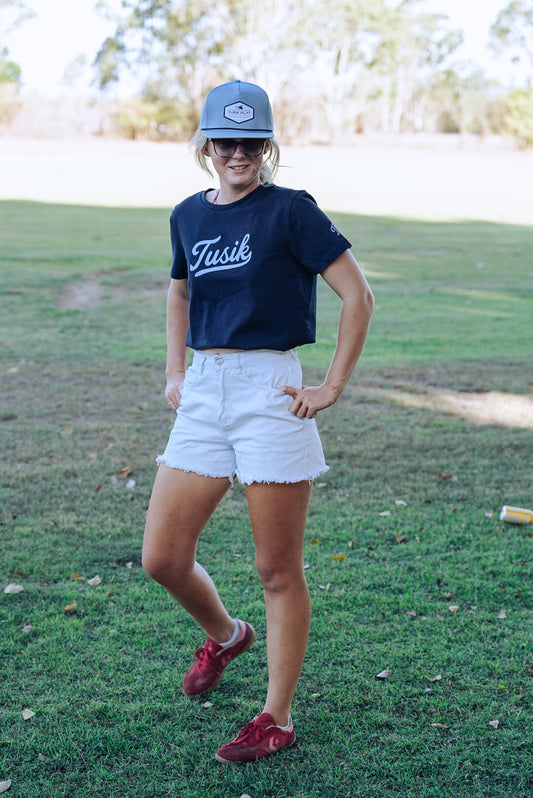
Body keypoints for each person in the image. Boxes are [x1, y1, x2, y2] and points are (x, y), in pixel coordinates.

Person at [142, 79, 374, 764]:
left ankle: (276, 716)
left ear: (265, 146)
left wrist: (330, 384)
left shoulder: (290, 211)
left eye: (250, 141)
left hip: (270, 389)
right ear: (205, 145)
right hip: (206, 392)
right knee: (161, 557)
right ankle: (225, 634)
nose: (236, 152)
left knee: (277, 569)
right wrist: (175, 372)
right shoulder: (188, 214)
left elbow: (357, 296)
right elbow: (180, 288)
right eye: (224, 140)